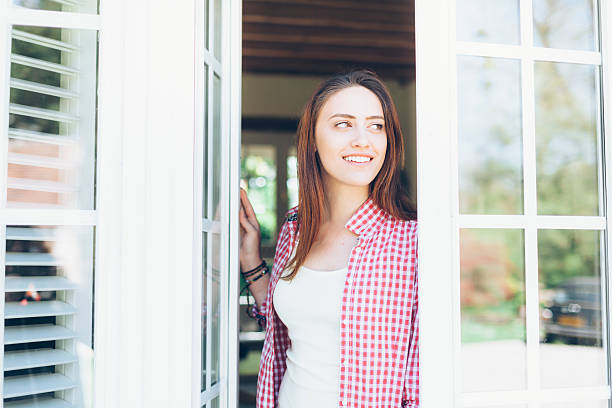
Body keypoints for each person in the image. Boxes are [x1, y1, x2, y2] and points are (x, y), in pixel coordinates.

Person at [239, 70, 419, 408]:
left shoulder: (413, 241)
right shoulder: (295, 227)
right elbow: (284, 334)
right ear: (313, 140)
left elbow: (421, 385)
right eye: (343, 124)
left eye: (376, 125)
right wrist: (252, 265)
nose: (363, 139)